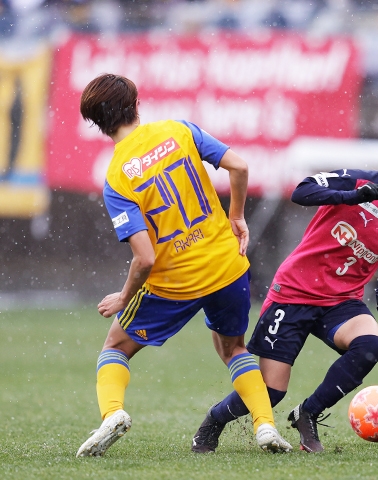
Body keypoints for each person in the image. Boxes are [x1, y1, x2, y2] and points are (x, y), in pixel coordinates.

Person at [191, 114, 378, 454]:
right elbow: (302, 191)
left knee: (369, 345)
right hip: (295, 293)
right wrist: (352, 198)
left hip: (341, 300)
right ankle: (213, 422)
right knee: (270, 392)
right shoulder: (357, 182)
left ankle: (308, 413)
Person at [76, 73, 291, 457]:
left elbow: (145, 258)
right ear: (136, 104)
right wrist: (236, 215)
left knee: (115, 346)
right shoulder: (177, 130)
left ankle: (112, 414)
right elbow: (239, 166)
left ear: (97, 124)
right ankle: (264, 426)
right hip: (227, 265)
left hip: (173, 283)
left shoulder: (117, 178)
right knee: (234, 349)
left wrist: (125, 296)